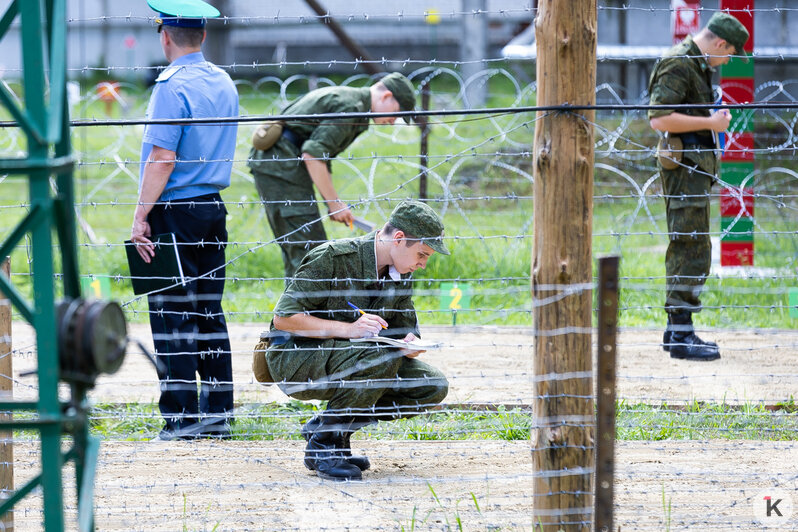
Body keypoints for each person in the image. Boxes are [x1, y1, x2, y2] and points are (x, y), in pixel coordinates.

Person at [258, 200, 450, 481]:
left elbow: (403, 326)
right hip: (296, 357)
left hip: (358, 359)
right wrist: (348, 329)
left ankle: (330, 429)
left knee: (430, 386)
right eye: (422, 254)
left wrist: (410, 341)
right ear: (399, 239)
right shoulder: (333, 258)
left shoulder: (400, 271)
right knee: (377, 358)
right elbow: (284, 319)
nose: (422, 264)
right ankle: (324, 446)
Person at [130, 0, 239, 439]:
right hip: (213, 207)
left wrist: (141, 216)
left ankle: (180, 418)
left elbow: (162, 158)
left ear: (165, 35)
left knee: (173, 314)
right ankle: (218, 416)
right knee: (209, 310)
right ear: (204, 35)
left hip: (175, 210)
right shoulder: (224, 80)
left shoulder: (169, 86)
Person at [246, 72, 417, 280]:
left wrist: (333, 203)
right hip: (280, 164)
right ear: (386, 96)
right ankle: (299, 310)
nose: (393, 121)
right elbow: (313, 154)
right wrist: (335, 203)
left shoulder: (354, 102)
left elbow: (318, 154)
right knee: (309, 249)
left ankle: (299, 308)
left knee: (304, 248)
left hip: (283, 162)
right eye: (396, 113)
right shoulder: (352, 108)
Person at [648, 12, 749, 361]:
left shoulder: (699, 65)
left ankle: (678, 331)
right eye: (730, 53)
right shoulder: (678, 63)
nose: (728, 61)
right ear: (720, 43)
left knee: (696, 247)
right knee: (687, 247)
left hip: (696, 170)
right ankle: (680, 334)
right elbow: (658, 117)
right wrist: (711, 122)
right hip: (684, 170)